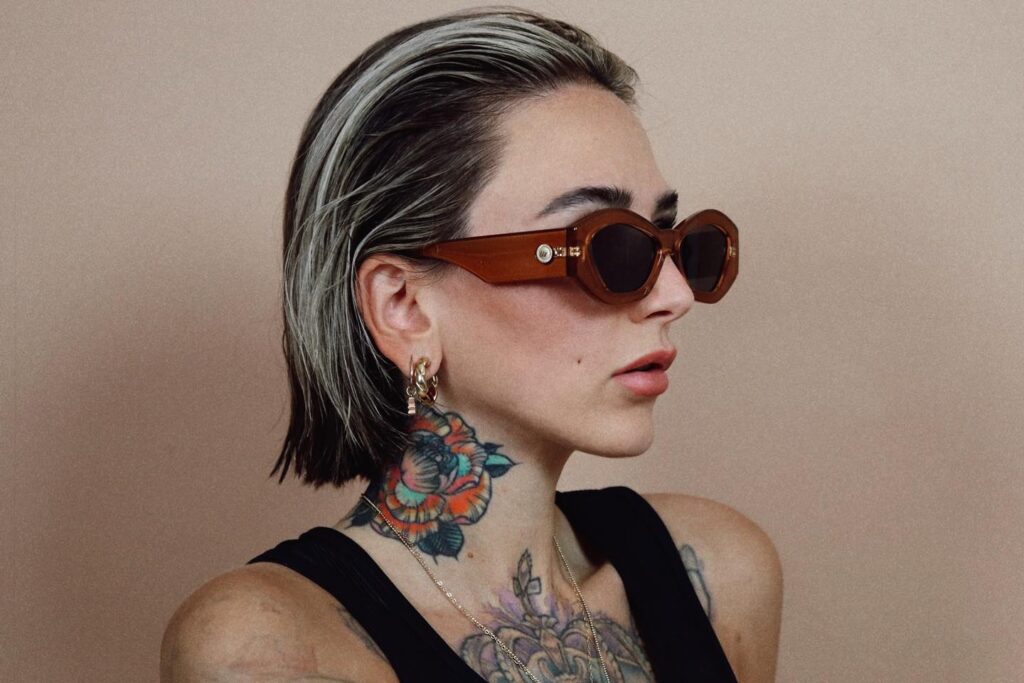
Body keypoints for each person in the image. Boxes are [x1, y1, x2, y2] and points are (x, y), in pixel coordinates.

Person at [160, 6, 782, 682]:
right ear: (404, 306)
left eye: (678, 243)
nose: (674, 295)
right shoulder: (269, 644)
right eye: (610, 248)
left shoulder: (716, 572)